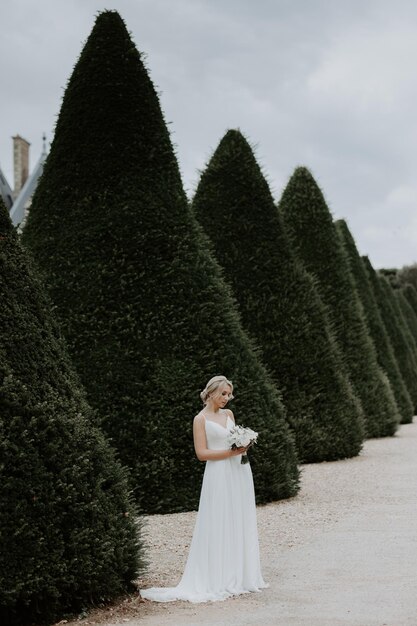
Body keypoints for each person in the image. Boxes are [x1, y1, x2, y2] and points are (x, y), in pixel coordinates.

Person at [141, 375, 268, 603]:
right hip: (218, 473)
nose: (227, 398)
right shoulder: (200, 419)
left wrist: (243, 445)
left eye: (229, 394)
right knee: (218, 520)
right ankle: (216, 577)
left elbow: (234, 440)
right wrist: (231, 453)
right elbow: (202, 454)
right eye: (223, 394)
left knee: (237, 518)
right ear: (211, 393)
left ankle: (238, 575)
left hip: (238, 471)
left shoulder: (228, 415)